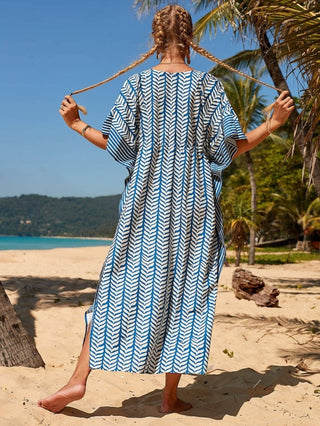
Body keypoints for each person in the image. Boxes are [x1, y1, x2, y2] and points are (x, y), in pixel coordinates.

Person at [38, 4, 294, 414]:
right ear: (191, 40)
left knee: (116, 288)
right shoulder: (207, 89)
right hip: (195, 208)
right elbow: (231, 149)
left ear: (154, 41)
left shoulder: (136, 88)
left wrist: (76, 125)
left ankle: (78, 379)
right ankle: (169, 396)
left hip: (146, 205)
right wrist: (274, 124)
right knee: (187, 292)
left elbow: (119, 148)